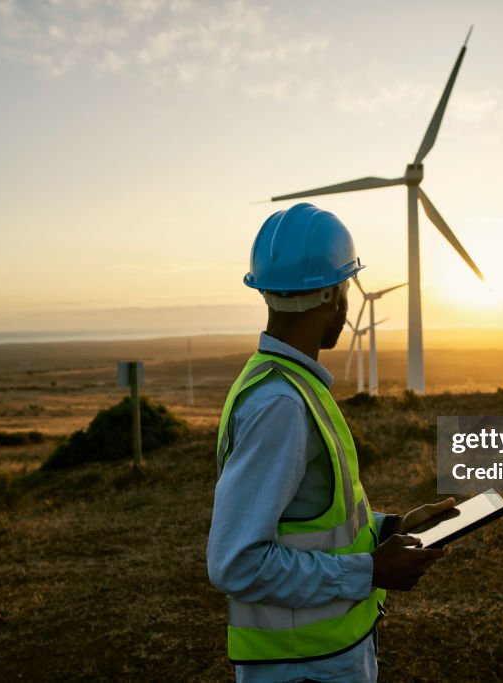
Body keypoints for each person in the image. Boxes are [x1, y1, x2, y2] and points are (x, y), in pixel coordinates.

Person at [207, 202, 455, 682]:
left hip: (319, 659)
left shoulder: (284, 385)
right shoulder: (281, 404)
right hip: (303, 669)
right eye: (345, 286)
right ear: (331, 296)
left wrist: (390, 526)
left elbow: (305, 520)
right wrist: (370, 572)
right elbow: (235, 563)